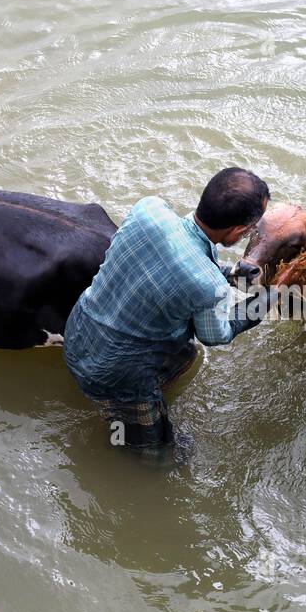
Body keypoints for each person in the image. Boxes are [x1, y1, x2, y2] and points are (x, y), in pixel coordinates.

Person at [63, 167, 273, 456]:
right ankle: (143, 452)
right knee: (159, 453)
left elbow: (170, 262)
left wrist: (229, 272)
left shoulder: (149, 209)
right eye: (251, 228)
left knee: (183, 352)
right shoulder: (209, 286)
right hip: (115, 375)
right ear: (237, 232)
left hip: (77, 336)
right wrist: (265, 300)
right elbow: (216, 335)